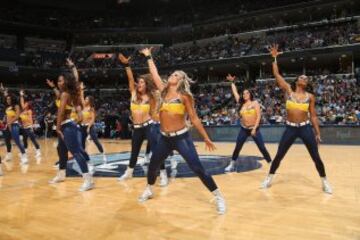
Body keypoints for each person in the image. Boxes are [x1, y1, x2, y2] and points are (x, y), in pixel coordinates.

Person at [138, 47, 226, 214]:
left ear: (181, 80)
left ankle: (219, 196)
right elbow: (155, 73)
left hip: (181, 137)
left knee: (197, 168)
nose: (172, 75)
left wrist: (206, 137)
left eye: (176, 75)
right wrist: (149, 56)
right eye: (172, 74)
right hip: (164, 138)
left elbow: (194, 119)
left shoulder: (185, 96)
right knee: (152, 166)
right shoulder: (163, 91)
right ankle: (149, 189)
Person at [261, 44, 332, 194]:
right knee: (279, 155)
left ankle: (324, 181)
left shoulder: (310, 97)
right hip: (290, 128)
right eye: (302, 77)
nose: (304, 78)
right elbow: (276, 74)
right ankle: (269, 177)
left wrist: (317, 132)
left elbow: (313, 115)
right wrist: (274, 57)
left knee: (316, 157)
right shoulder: (288, 90)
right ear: (297, 81)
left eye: (306, 78)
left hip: (305, 128)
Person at [117, 53, 168, 186]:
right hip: (137, 128)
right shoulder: (133, 93)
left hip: (149, 126)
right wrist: (126, 65)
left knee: (156, 150)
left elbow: (155, 111)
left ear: (146, 85)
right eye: (138, 82)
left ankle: (163, 174)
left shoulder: (151, 97)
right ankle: (129, 172)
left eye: (141, 82)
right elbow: (130, 78)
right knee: (134, 151)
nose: (138, 84)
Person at [53, 59, 94, 191]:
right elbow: (76, 81)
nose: (59, 83)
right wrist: (73, 67)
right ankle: (61, 174)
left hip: (66, 126)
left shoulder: (65, 94)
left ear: (66, 82)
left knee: (76, 153)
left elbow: (60, 113)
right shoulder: (67, 93)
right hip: (68, 126)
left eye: (61, 81)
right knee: (61, 151)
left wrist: (58, 127)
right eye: (58, 81)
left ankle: (88, 180)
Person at [224, 74, 272, 172]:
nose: (245, 95)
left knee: (262, 147)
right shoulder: (241, 103)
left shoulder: (255, 103)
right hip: (244, 129)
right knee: (238, 147)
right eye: (244, 93)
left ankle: (271, 164)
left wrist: (254, 128)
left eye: (247, 93)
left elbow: (259, 116)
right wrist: (232, 82)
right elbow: (234, 92)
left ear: (250, 94)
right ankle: (232, 164)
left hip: (254, 129)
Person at [0, 84, 28, 164]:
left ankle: (24, 156)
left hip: (14, 125)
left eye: (9, 99)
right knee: (7, 141)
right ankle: (9, 155)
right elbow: (4, 96)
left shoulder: (16, 106)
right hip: (7, 125)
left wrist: (10, 122)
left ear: (12, 99)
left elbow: (17, 116)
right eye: (7, 99)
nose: (8, 100)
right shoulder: (7, 106)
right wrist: (2, 90)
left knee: (17, 141)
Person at [80, 95, 107, 163]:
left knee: (95, 140)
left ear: (89, 101)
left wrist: (88, 127)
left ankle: (103, 154)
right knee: (82, 142)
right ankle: (85, 157)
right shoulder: (83, 107)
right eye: (85, 99)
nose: (85, 100)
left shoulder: (91, 108)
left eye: (86, 99)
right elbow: (81, 97)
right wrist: (81, 90)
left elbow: (92, 119)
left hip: (90, 126)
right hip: (82, 126)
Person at [19, 90, 41, 161]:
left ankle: (38, 151)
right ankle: (25, 151)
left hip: (29, 127)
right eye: (24, 104)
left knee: (33, 140)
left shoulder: (29, 111)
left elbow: (31, 120)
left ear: (28, 106)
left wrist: (32, 127)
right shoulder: (23, 111)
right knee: (25, 140)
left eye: (26, 104)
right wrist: (21, 95)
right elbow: (21, 103)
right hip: (24, 127)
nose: (24, 105)